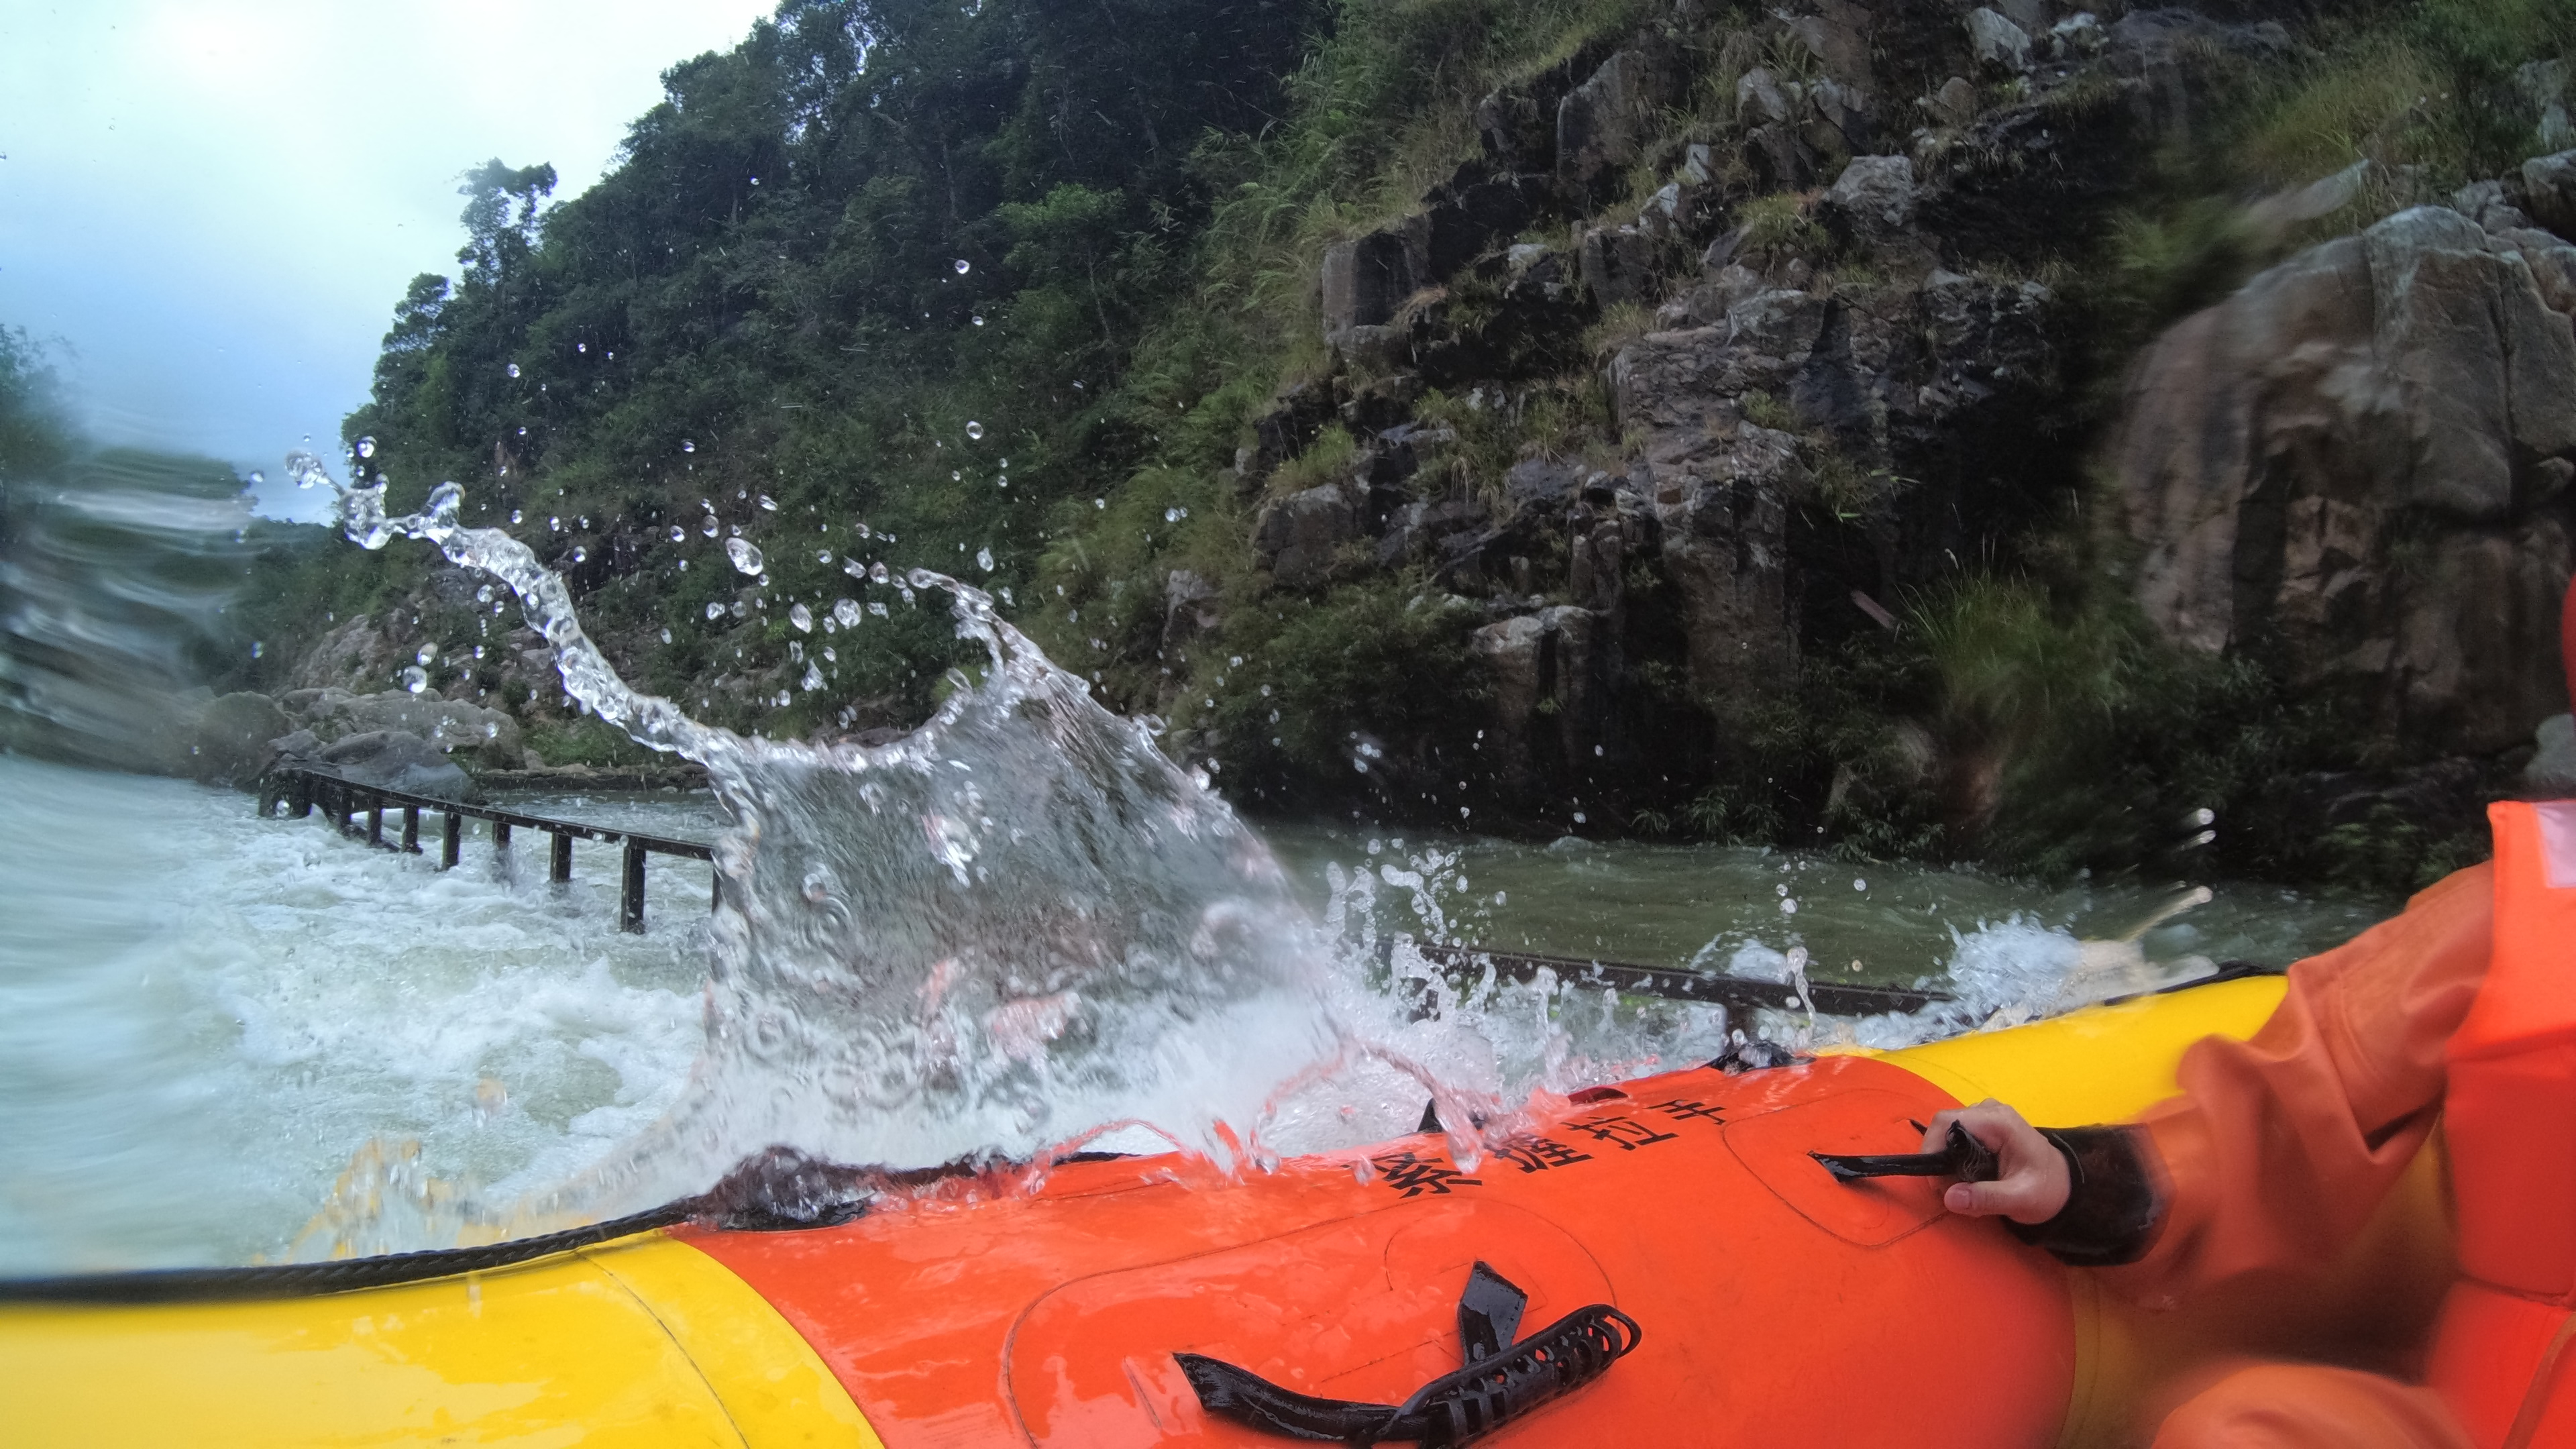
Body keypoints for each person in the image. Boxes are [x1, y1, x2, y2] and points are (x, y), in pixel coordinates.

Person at [1923, 579, 2576, 1449]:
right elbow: (2307, 1097)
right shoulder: (2503, 915)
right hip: (2491, 1415)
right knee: (2236, 1432)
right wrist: (2082, 1180)